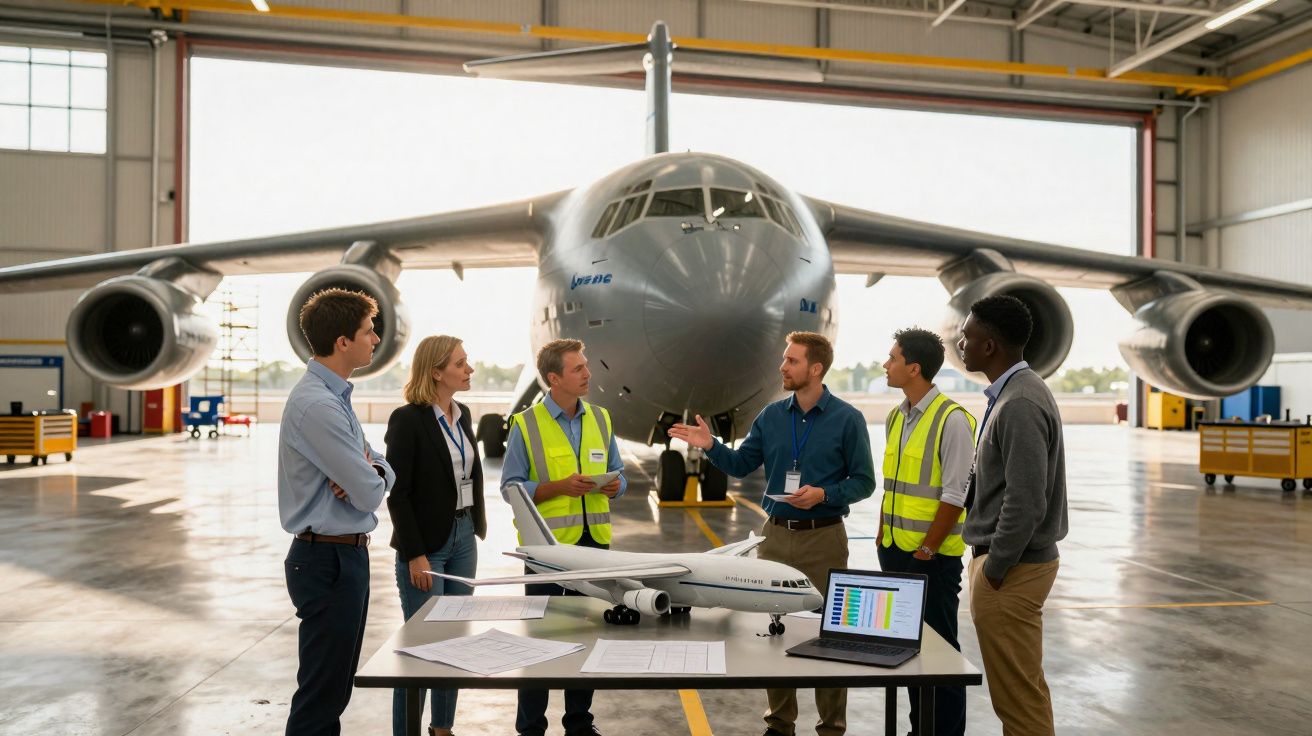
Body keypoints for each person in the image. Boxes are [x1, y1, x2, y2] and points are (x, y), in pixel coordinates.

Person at [669, 331, 875, 736]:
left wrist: (824, 494)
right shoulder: (771, 416)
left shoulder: (847, 419)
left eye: (792, 361)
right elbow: (742, 464)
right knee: (775, 630)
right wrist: (710, 445)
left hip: (824, 537)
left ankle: (831, 727)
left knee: (829, 633)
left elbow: (864, 481)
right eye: (784, 359)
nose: (782, 366)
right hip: (776, 536)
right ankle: (780, 724)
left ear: (816, 368)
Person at [279, 288, 395, 736]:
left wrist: (371, 470)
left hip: (343, 555)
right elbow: (369, 492)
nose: (375, 339)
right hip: (327, 560)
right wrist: (368, 474)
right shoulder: (318, 405)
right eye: (368, 331)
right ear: (343, 341)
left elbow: (378, 467)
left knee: (333, 691)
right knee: (321, 698)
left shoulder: (335, 397)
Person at [501, 338, 627, 736]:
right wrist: (558, 488)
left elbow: (619, 472)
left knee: (589, 634)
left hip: (594, 546)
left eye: (586, 366)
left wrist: (615, 486)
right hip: (548, 552)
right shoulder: (526, 424)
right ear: (554, 379)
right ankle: (531, 727)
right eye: (578, 369)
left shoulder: (601, 419)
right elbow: (510, 488)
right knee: (539, 640)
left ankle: (579, 723)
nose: (588, 374)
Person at [957, 295, 1069, 736]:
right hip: (1010, 565)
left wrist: (995, 568)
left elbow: (1026, 500)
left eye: (967, 337)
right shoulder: (1014, 392)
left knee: (1018, 702)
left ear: (989, 346)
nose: (961, 344)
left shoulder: (1019, 402)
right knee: (1021, 692)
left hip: (1013, 569)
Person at [385, 335, 488, 736]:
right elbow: (398, 493)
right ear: (436, 372)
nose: (469, 369)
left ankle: (442, 729)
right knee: (421, 648)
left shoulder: (463, 415)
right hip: (427, 546)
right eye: (460, 363)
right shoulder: (407, 420)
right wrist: (415, 554)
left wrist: (473, 525)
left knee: (454, 643)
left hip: (464, 536)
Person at [878, 327, 975, 736]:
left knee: (941, 655)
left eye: (893, 358)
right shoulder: (896, 416)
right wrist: (883, 535)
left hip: (931, 560)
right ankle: (921, 729)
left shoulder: (953, 420)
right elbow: (894, 486)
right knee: (908, 652)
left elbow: (956, 496)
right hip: (895, 551)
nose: (886, 364)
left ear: (914, 368)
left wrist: (928, 551)